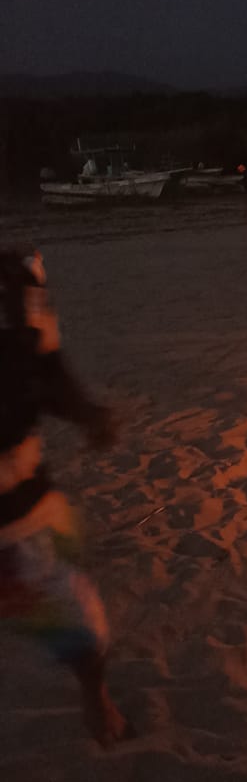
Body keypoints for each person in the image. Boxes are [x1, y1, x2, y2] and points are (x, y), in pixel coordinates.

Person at [0, 250, 127, 746]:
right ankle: (98, 704)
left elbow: (43, 365)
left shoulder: (16, 283)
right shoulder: (17, 287)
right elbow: (37, 371)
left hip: (27, 506)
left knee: (70, 574)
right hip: (14, 522)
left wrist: (87, 414)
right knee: (78, 622)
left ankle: (96, 697)